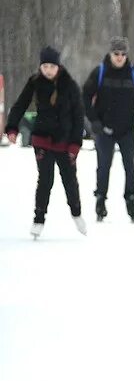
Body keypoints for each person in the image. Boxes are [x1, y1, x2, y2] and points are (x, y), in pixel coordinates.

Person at [4, 45, 87, 238]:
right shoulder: (35, 82)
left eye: (52, 66)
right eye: (45, 66)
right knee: (45, 181)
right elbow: (20, 104)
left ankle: (76, 213)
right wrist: (12, 127)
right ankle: (38, 219)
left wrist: (76, 143)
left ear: (58, 66)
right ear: (40, 66)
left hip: (65, 142)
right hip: (42, 139)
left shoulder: (70, 85)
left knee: (70, 181)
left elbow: (78, 115)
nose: (48, 70)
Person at [82, 36, 134, 223]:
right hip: (104, 128)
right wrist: (93, 121)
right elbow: (85, 96)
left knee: (130, 166)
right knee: (104, 166)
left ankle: (130, 200)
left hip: (127, 129)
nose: (119, 57)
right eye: (116, 54)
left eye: (123, 54)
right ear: (110, 54)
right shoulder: (100, 72)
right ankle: (100, 200)